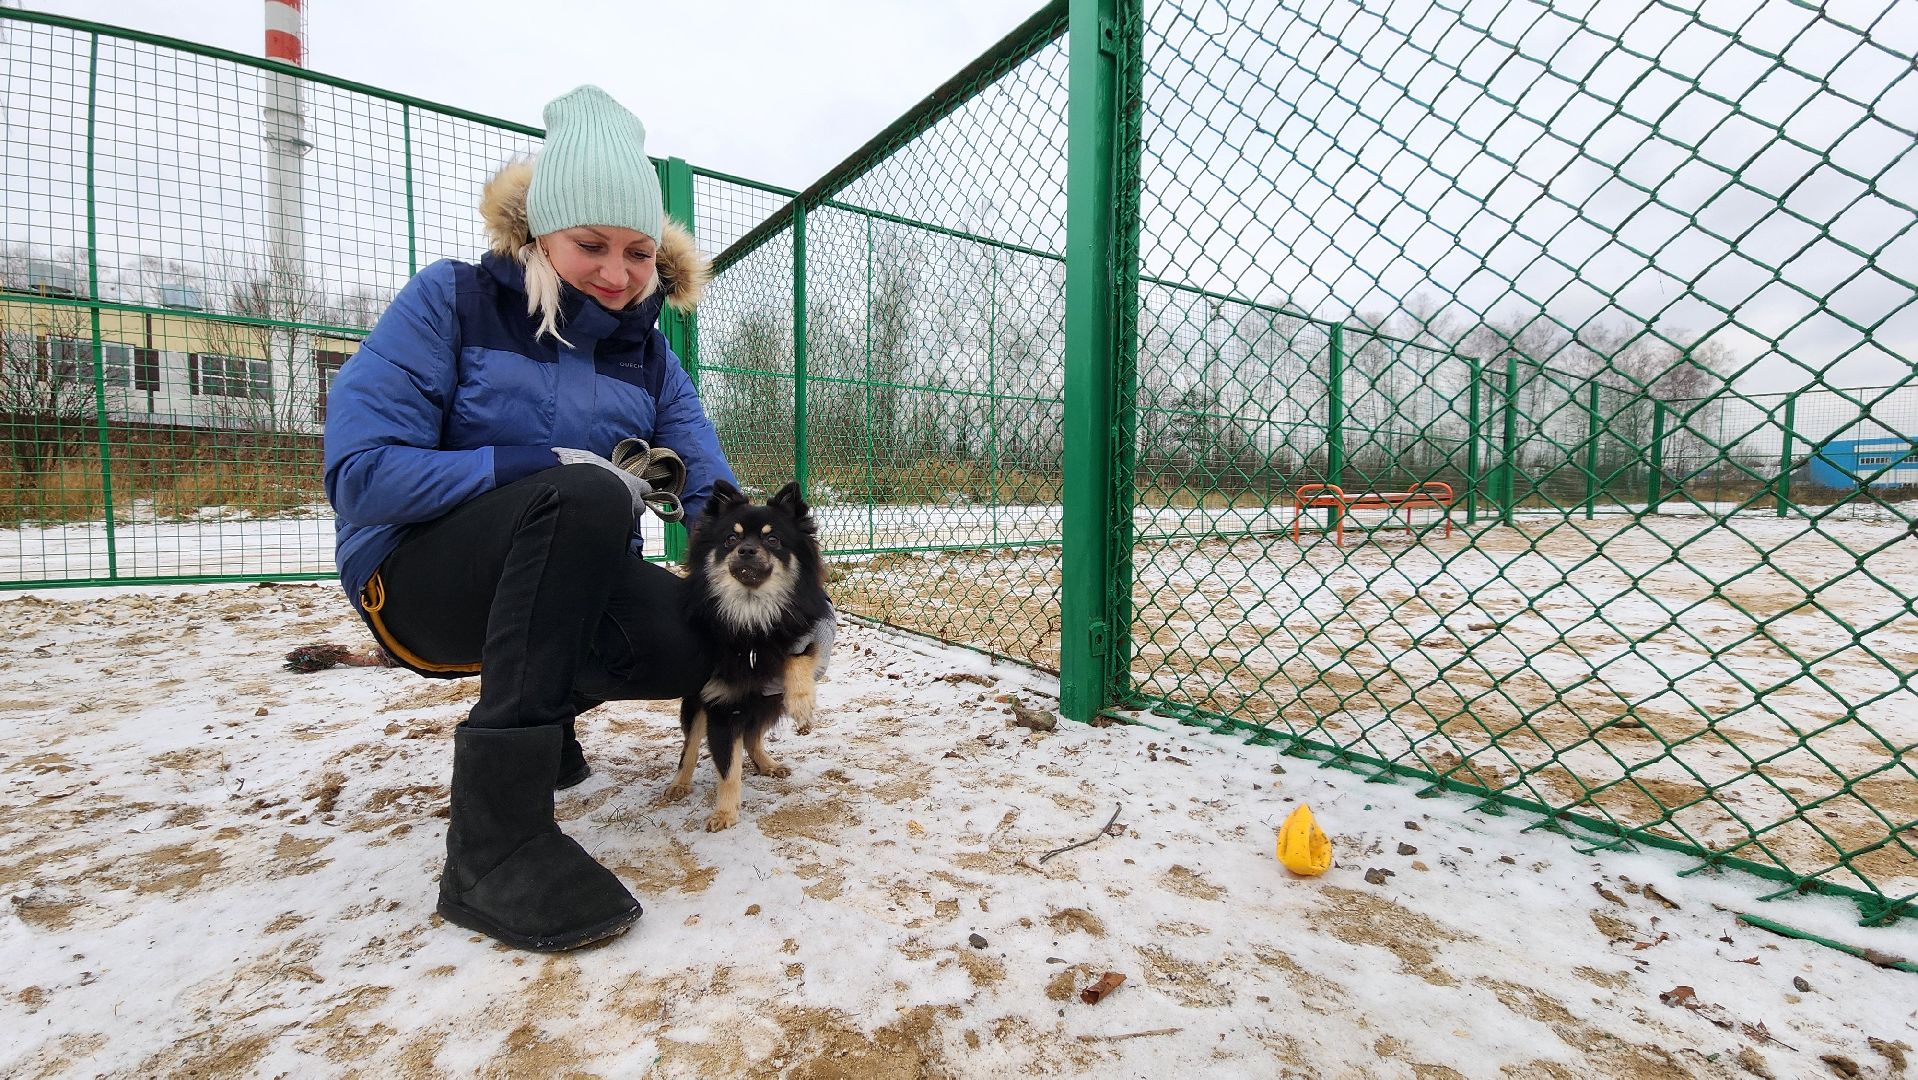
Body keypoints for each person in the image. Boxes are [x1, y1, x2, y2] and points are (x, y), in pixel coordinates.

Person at [323, 85, 827, 953]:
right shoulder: (450, 300)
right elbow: (361, 477)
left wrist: (790, 604)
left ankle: (547, 714)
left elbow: (718, 501)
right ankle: (494, 844)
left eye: (638, 251)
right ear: (536, 233)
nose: (617, 273)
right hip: (414, 581)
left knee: (691, 641)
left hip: (557, 582)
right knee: (583, 496)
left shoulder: (650, 352)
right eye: (590, 244)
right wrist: (537, 465)